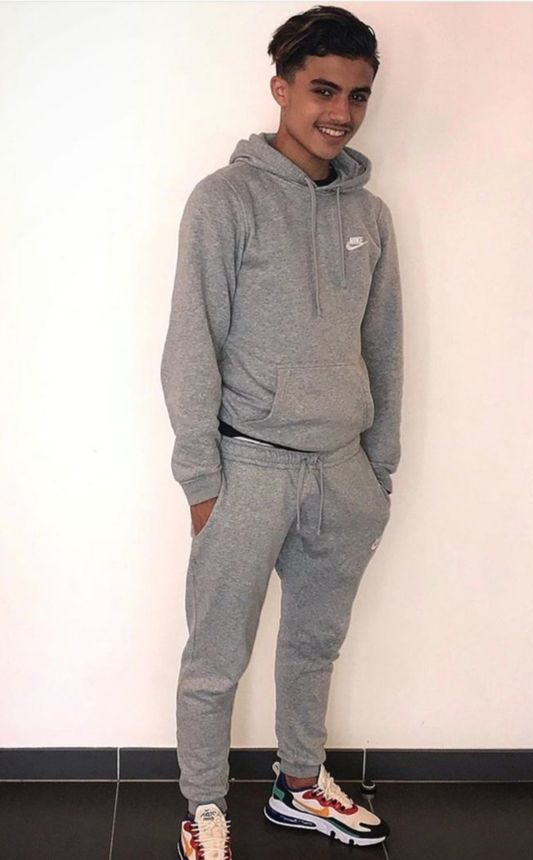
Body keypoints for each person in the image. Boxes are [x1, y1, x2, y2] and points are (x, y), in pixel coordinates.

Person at [160, 5, 403, 858]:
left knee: (314, 646)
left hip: (342, 472)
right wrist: (203, 480)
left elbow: (385, 346)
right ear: (281, 88)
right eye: (323, 90)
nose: (341, 112)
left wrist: (378, 471)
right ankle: (202, 806)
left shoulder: (370, 215)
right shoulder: (224, 200)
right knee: (215, 656)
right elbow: (191, 343)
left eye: (357, 95)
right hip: (248, 468)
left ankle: (300, 784)